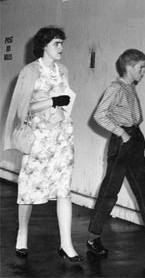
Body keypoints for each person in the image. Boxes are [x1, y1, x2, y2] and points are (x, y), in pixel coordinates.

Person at [3, 26, 84, 262]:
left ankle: (66, 244)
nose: (61, 48)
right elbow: (23, 107)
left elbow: (66, 99)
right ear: (44, 46)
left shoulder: (64, 70)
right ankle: (22, 234)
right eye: (57, 43)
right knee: (28, 190)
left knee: (64, 190)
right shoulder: (30, 71)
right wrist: (52, 101)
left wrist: (64, 104)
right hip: (38, 139)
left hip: (62, 137)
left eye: (62, 43)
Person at [86, 49, 145, 257]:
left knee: (142, 188)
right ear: (128, 67)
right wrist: (122, 133)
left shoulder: (130, 86)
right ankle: (93, 237)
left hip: (135, 138)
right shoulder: (116, 87)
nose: (144, 71)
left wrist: (134, 136)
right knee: (111, 190)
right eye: (140, 68)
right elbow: (99, 115)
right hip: (123, 141)